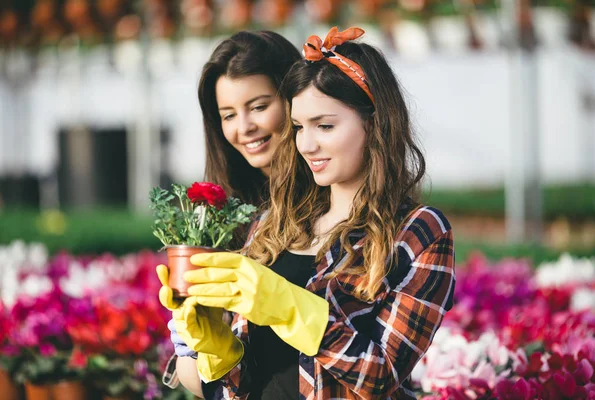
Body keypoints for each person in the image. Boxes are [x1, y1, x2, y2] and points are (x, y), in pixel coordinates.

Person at [163, 26, 455, 399]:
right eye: (300, 127)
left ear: (375, 121)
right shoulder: (274, 225)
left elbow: (380, 375)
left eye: (326, 125)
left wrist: (289, 307)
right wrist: (215, 349)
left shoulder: (418, 232)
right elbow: (240, 384)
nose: (308, 144)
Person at [157, 30, 301, 395]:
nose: (244, 128)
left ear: (294, 99)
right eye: (228, 115)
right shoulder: (231, 221)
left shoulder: (332, 207)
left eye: (258, 106)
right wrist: (194, 341)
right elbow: (207, 384)